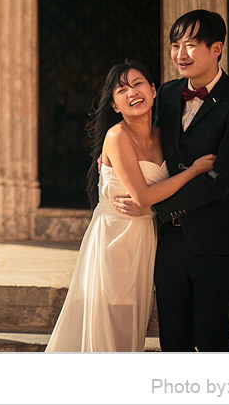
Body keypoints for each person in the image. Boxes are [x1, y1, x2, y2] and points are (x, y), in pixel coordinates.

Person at [114, 9, 229, 352]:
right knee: (174, 341)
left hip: (214, 242)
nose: (181, 54)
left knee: (213, 340)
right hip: (166, 245)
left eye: (191, 45)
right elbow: (134, 132)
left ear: (216, 49)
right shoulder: (164, 94)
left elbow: (221, 178)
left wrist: (154, 205)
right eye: (175, 44)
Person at [45, 60, 215, 352]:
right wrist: (193, 171)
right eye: (121, 90)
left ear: (152, 90)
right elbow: (143, 196)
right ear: (114, 105)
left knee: (132, 324)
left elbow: (154, 199)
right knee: (111, 322)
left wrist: (154, 208)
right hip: (115, 239)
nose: (132, 93)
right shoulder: (117, 136)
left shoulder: (166, 136)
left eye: (138, 84)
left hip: (146, 238)